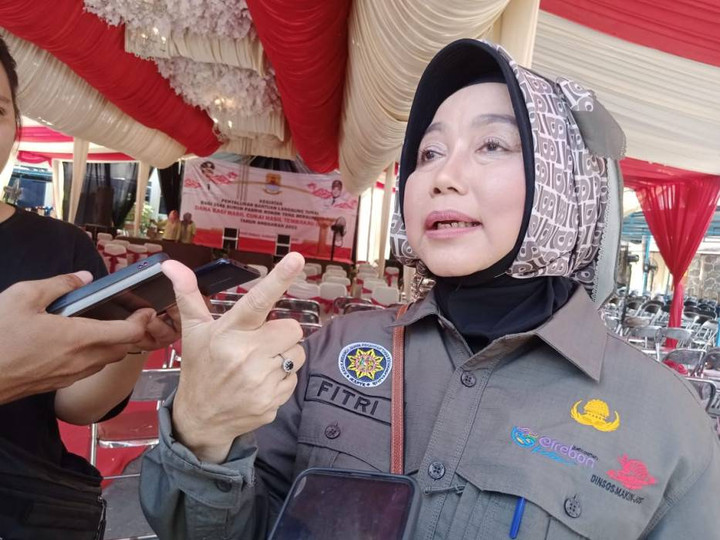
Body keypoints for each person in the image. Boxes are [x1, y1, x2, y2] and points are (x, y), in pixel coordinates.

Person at [141, 39, 720, 539]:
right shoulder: (332, 349)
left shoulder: (667, 422)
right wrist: (203, 434)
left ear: (567, 181)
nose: (442, 176)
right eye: (429, 153)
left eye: (492, 145)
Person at [0, 36, 180, 539]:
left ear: (15, 128)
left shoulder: (62, 247)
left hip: (25, 512)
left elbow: (77, 405)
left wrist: (133, 339)